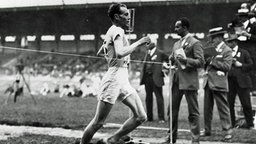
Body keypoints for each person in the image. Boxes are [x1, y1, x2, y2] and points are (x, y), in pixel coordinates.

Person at [80, 3, 151, 144]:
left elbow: (101, 52)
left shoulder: (112, 31)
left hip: (122, 78)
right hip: (114, 77)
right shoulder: (117, 30)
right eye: (125, 15)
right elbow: (120, 53)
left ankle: (112, 139)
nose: (128, 18)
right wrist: (140, 42)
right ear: (117, 17)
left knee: (141, 117)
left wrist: (108, 46)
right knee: (98, 122)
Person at [163, 17, 204, 144]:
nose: (175, 29)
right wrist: (170, 61)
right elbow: (174, 59)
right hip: (176, 80)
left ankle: (195, 140)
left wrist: (186, 60)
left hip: (189, 81)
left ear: (185, 28)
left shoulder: (195, 42)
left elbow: (201, 62)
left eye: (177, 27)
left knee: (193, 113)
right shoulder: (176, 44)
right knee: (171, 111)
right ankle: (171, 138)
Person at [201, 27, 233, 140]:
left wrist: (212, 62)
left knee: (223, 108)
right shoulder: (211, 49)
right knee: (207, 109)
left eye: (213, 38)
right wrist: (205, 62)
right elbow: (207, 66)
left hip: (219, 83)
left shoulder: (227, 50)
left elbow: (227, 67)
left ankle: (227, 131)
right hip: (208, 82)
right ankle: (207, 130)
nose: (211, 40)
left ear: (219, 38)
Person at [225, 33, 254, 129]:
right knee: (229, 104)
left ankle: (250, 124)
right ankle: (231, 124)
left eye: (230, 42)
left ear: (235, 42)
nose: (228, 44)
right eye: (227, 42)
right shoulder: (226, 53)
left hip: (243, 82)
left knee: (246, 104)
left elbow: (251, 65)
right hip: (230, 81)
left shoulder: (244, 52)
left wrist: (240, 65)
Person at [140, 37, 169, 123]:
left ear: (154, 44)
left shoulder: (160, 53)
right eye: (146, 44)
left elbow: (168, 60)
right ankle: (149, 117)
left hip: (157, 78)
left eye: (148, 43)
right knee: (148, 98)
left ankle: (161, 118)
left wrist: (165, 67)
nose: (147, 45)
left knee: (159, 98)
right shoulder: (147, 54)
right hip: (147, 79)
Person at [235, 9, 256, 96]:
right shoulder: (238, 26)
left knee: (251, 69)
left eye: (242, 16)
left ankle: (253, 89)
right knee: (240, 69)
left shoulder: (253, 26)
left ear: (246, 17)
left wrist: (248, 35)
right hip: (240, 49)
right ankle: (242, 88)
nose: (240, 19)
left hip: (250, 50)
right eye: (239, 17)